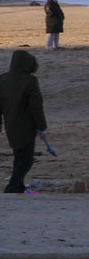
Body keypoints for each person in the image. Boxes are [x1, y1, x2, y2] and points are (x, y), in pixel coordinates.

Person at [0, 50, 49, 194]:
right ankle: (13, 187)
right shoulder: (30, 81)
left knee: (19, 156)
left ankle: (18, 186)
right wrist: (41, 127)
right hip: (26, 126)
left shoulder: (2, 79)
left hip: (10, 124)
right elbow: (36, 107)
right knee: (25, 160)